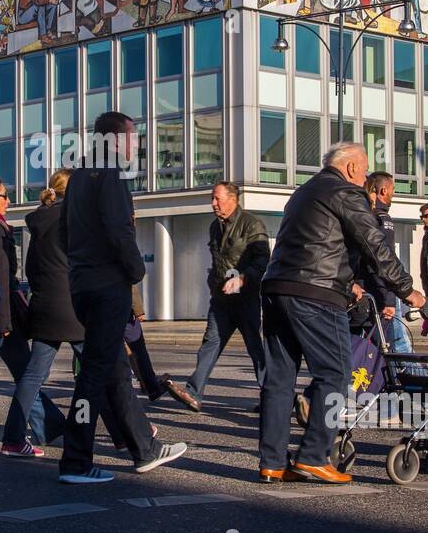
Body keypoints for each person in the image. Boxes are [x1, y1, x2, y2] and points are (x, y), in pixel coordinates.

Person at [258, 142, 425, 485]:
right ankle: (313, 456)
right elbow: (374, 244)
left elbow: (314, 244)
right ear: (351, 169)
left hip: (277, 289)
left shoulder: (303, 193)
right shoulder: (347, 193)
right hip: (316, 295)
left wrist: (349, 283)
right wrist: (408, 290)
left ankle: (273, 463)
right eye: (363, 170)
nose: (364, 177)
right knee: (335, 372)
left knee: (279, 379)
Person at [58, 111, 187, 483]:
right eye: (132, 138)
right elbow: (119, 231)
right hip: (107, 286)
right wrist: (135, 271)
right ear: (114, 141)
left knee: (113, 369)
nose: (135, 145)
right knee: (95, 375)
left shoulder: (80, 174)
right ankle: (75, 461)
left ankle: (144, 449)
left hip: (83, 283)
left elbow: (66, 233)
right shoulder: (109, 175)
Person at [178, 182, 270, 413]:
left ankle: (273, 397)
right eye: (212, 198)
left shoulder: (252, 224)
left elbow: (262, 261)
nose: (213, 203)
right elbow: (217, 261)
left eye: (217, 198)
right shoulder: (214, 227)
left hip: (245, 298)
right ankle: (193, 392)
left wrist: (242, 279)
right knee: (210, 344)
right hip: (221, 299)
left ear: (233, 199)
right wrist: (214, 283)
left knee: (254, 348)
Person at [0, 176, 48, 457]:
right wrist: (4, 321)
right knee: (27, 374)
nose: (8, 201)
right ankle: (22, 436)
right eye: (3, 196)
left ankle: (48, 429)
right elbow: (0, 279)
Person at [19, 171, 80, 448]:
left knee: (33, 375)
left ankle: (14, 432)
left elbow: (31, 269)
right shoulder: (72, 219)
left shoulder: (38, 224)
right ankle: (125, 434)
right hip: (74, 307)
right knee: (101, 371)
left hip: (44, 306)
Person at [364, 171, 411, 354]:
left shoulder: (364, 217)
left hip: (364, 293)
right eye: (392, 190)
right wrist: (389, 298)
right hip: (379, 294)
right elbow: (383, 260)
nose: (393, 194)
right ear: (383, 190)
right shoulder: (382, 219)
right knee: (392, 348)